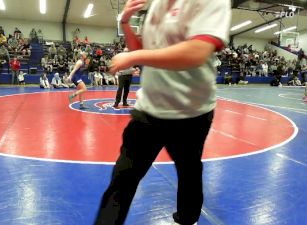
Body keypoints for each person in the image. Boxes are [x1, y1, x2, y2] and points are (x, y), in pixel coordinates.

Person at [94, 0, 231, 225]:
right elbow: (141, 50)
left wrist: (133, 58)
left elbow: (197, 51)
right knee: (123, 177)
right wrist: (126, 22)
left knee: (189, 172)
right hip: (149, 108)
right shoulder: (156, 4)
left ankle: (187, 219)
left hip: (190, 112)